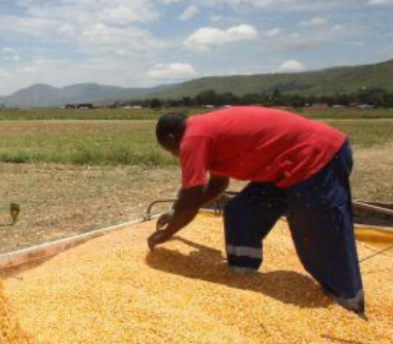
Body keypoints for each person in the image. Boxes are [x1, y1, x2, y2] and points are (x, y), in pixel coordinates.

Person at [149, 106, 364, 315]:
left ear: (170, 138)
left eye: (170, 151)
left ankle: (348, 302)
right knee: (241, 213)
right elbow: (217, 185)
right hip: (283, 166)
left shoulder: (193, 139)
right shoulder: (204, 131)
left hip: (314, 155)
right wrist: (176, 212)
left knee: (318, 232)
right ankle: (243, 274)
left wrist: (167, 233)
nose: (174, 156)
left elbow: (191, 196)